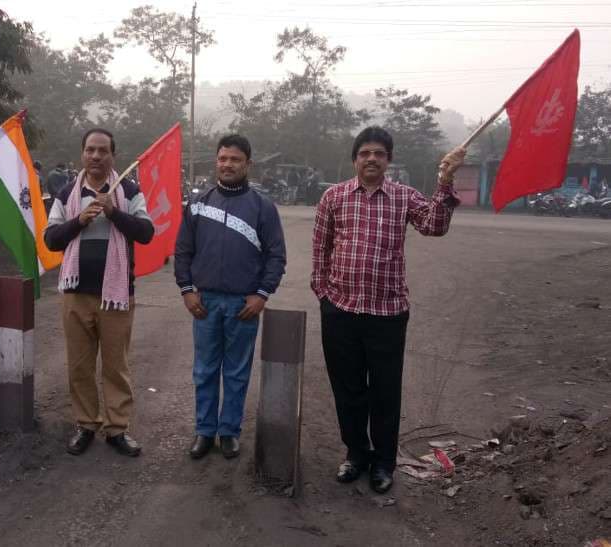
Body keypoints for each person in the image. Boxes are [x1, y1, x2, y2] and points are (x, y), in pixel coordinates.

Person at [311, 126, 465, 493]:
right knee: (347, 390)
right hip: (341, 312)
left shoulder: (403, 197)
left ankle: (383, 463)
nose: (372, 159)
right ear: (355, 159)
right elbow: (320, 249)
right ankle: (356, 454)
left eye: (379, 153)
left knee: (384, 392)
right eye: (365, 153)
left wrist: (445, 181)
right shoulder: (333, 198)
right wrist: (323, 294)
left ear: (389, 160)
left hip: (387, 314)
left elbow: (435, 226)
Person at [175, 134, 286, 460]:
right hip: (204, 302)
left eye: (235, 159)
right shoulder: (198, 204)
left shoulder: (263, 207)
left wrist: (262, 295)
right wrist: (187, 290)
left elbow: (276, 256)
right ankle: (204, 431)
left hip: (243, 305)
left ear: (247, 164)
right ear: (216, 161)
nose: (227, 165)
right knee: (204, 370)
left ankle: (229, 432)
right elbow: (182, 252)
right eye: (223, 158)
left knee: (236, 372)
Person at [44, 128, 154, 457]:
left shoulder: (129, 191)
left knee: (115, 365)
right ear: (82, 154)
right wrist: (78, 220)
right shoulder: (65, 194)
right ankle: (86, 424)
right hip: (76, 293)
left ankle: (117, 428)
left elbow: (146, 232)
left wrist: (113, 212)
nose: (95, 156)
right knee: (79, 364)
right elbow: (51, 240)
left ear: (112, 156)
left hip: (117, 294)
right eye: (90, 150)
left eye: (102, 151)